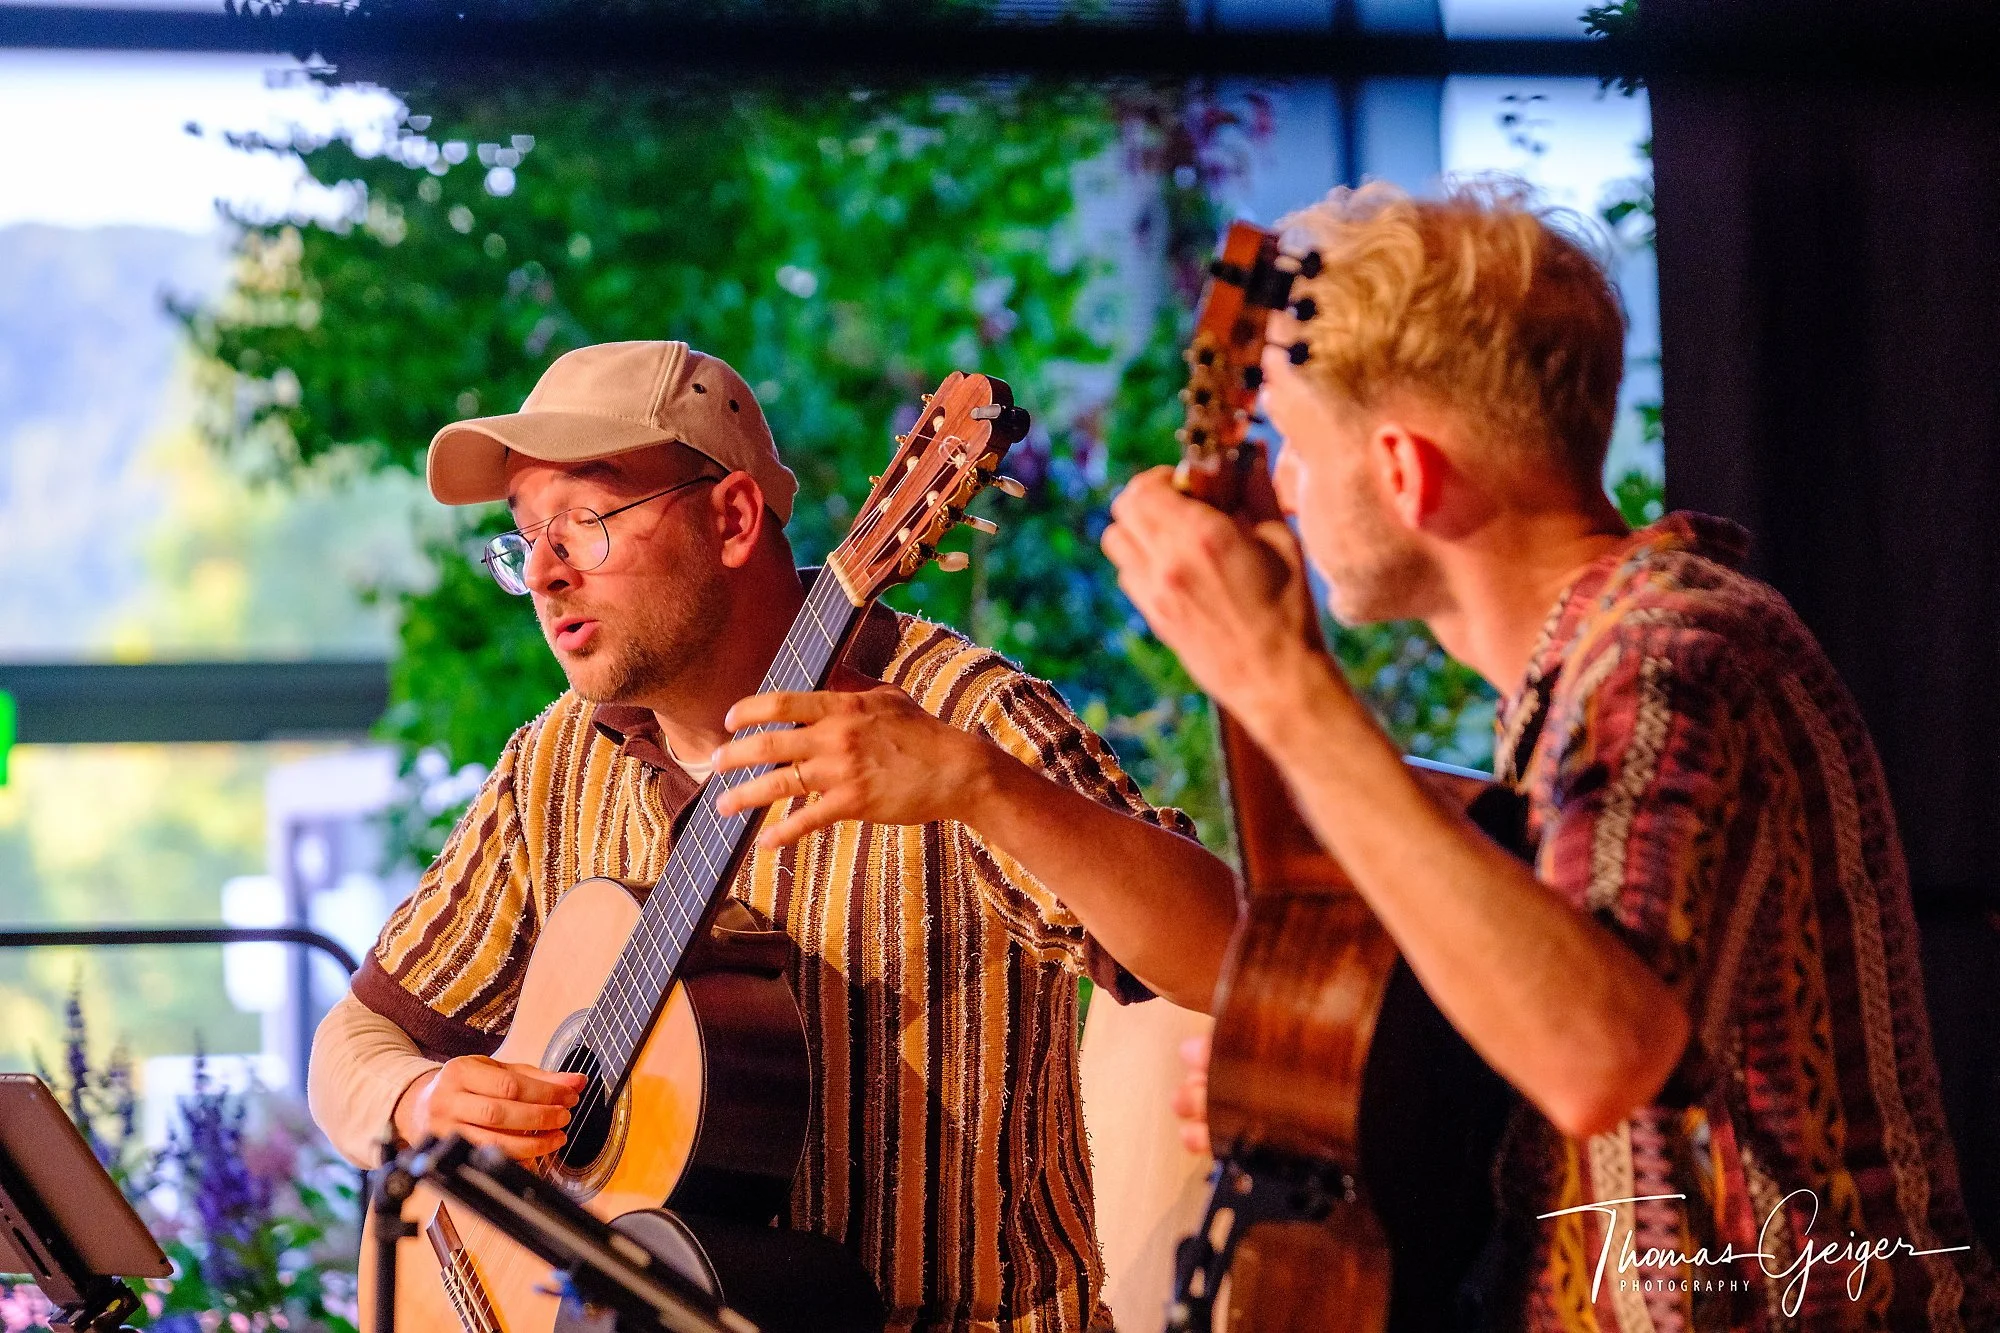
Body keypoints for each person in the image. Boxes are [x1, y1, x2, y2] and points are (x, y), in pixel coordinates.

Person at [1101, 180, 1999, 1330]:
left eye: (1291, 443)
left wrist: (1278, 680)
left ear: (1402, 468)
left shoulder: (1673, 649)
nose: (1280, 480)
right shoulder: (1576, 684)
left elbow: (1597, 1056)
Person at [306, 340, 1240, 1333]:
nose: (543, 571)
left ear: (734, 517)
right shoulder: (553, 763)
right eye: (522, 537)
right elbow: (354, 1043)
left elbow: (1231, 960)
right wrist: (419, 1100)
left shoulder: (954, 717)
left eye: (582, 522)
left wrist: (983, 788)